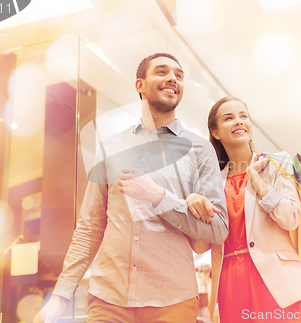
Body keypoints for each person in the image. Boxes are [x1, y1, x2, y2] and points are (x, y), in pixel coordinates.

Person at [33, 53, 229, 323]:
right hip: (108, 299)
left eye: (179, 75)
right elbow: (90, 226)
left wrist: (160, 197)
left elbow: (218, 229)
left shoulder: (200, 150)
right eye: (162, 71)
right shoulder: (111, 146)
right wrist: (60, 297)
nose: (173, 78)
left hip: (172, 300)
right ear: (140, 85)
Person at [191, 97, 301, 322]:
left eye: (243, 116)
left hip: (280, 282)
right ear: (216, 132)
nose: (239, 122)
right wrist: (193, 203)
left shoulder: (277, 163)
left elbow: (291, 218)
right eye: (229, 118)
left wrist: (257, 182)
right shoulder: (210, 182)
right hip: (232, 284)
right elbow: (201, 246)